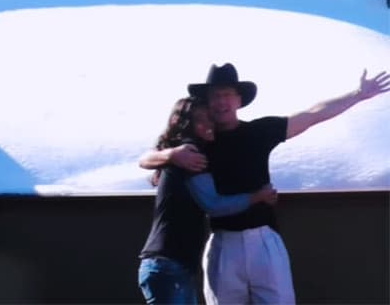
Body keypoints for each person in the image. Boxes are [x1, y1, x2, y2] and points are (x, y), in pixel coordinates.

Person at [157, 63, 390, 304]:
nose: (221, 101)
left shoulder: (260, 131)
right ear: (207, 101)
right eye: (215, 96)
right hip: (223, 242)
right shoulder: (198, 144)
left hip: (264, 240)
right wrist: (171, 155)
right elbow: (152, 157)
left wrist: (358, 94)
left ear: (239, 100)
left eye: (227, 94)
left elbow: (311, 115)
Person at [138, 96, 278, 305]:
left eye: (210, 119)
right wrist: (257, 197)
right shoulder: (191, 154)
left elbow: (145, 159)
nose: (209, 124)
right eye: (200, 120)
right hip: (169, 265)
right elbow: (214, 205)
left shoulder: (179, 153)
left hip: (166, 265)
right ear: (186, 125)